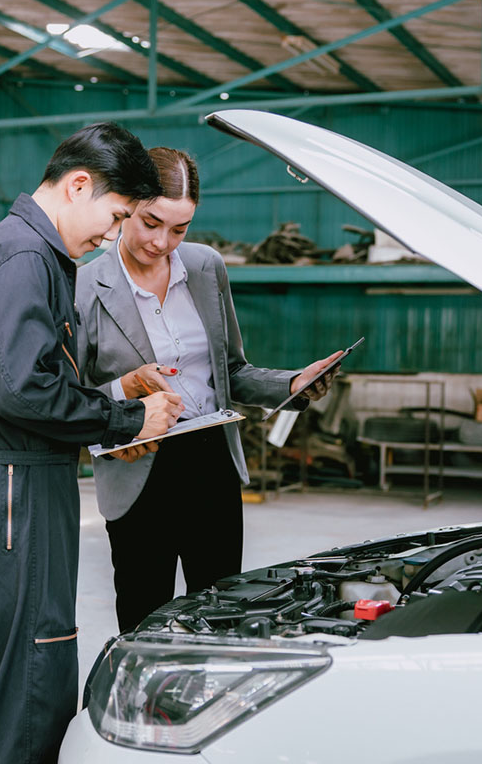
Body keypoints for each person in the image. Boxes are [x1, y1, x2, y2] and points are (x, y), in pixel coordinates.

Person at [0, 124, 184, 764]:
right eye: (117, 216)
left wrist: (115, 398)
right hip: (16, 492)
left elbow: (31, 379)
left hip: (13, 485)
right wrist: (126, 419)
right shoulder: (27, 256)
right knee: (27, 685)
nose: (113, 234)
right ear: (79, 185)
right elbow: (24, 390)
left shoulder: (26, 250)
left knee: (8, 680)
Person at [76, 147, 343, 633]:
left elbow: (232, 370)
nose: (162, 242)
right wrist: (126, 387)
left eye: (179, 229)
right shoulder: (85, 286)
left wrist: (292, 383)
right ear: (127, 206)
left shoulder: (205, 268)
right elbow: (75, 395)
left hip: (211, 463)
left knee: (222, 614)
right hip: (139, 465)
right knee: (143, 617)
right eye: (151, 223)